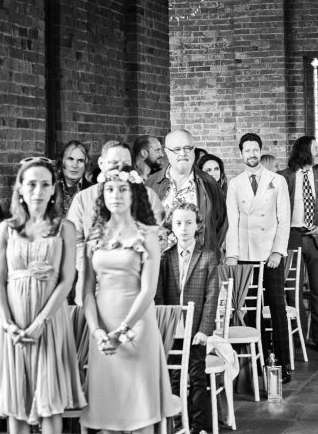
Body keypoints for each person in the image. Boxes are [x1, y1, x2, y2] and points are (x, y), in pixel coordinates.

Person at [0, 157, 85, 432]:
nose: (38, 192)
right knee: (16, 404)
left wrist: (41, 322)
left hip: (50, 321)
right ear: (20, 188)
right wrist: (7, 323)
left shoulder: (65, 228)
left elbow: (68, 280)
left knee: (49, 404)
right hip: (14, 322)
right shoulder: (6, 229)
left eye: (45, 185)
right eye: (31, 184)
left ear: (54, 189)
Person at [80, 165, 174, 433]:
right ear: (103, 194)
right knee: (108, 417)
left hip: (137, 327)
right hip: (102, 329)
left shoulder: (148, 234)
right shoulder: (95, 235)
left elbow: (148, 290)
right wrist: (97, 331)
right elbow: (86, 290)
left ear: (133, 193)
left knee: (140, 415)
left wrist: (122, 331)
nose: (116, 195)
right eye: (110, 189)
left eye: (122, 189)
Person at [226, 133, 291, 380]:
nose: (252, 154)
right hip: (245, 256)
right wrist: (232, 255)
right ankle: (261, 362)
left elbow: (283, 220)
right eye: (247, 151)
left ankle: (282, 364)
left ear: (260, 151)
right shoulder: (235, 184)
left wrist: (277, 250)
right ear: (240, 154)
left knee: (277, 307)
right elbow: (233, 223)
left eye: (255, 150)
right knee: (252, 311)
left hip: (270, 255)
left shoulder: (277, 181)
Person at [67, 140, 164, 305]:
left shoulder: (148, 197)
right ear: (101, 163)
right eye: (113, 163)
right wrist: (95, 268)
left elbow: (159, 236)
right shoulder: (83, 198)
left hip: (135, 290)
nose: (119, 168)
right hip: (92, 289)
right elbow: (74, 241)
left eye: (125, 164)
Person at [155, 204, 218, 434]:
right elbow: (160, 294)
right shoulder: (165, 257)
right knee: (173, 377)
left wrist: (204, 329)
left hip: (195, 331)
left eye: (189, 223)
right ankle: (178, 424)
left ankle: (199, 427)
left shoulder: (208, 257)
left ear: (198, 226)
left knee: (197, 377)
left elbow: (212, 296)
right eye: (178, 223)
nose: (183, 228)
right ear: (172, 226)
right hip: (173, 328)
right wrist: (163, 327)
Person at [279, 136, 318, 353]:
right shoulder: (283, 177)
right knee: (292, 292)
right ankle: (297, 337)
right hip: (291, 238)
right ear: (304, 151)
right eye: (316, 148)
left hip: (317, 238)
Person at [146, 130, 226, 256]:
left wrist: (209, 255)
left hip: (197, 264)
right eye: (177, 149)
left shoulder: (209, 184)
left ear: (193, 149)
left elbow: (221, 224)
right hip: (159, 264)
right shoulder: (151, 183)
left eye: (187, 148)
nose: (183, 153)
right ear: (166, 151)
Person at [56, 140, 92, 216]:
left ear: (85, 165)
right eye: (70, 159)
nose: (75, 165)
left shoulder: (93, 191)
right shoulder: (51, 189)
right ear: (63, 162)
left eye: (80, 160)